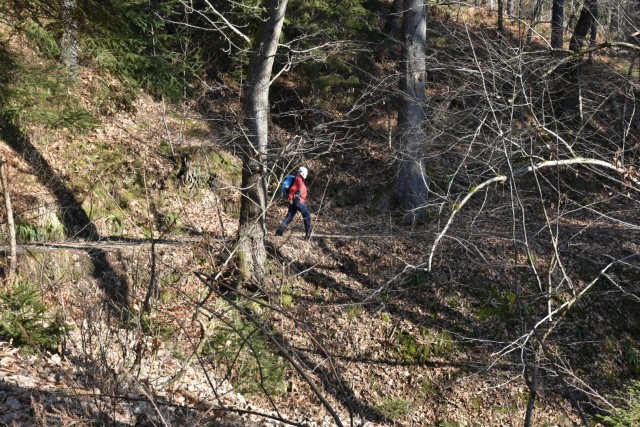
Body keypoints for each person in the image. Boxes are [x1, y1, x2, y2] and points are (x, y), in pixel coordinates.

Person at [275, 166, 312, 238]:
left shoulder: (298, 178)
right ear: (303, 173)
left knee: (289, 217)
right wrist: (291, 198)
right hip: (298, 201)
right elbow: (293, 189)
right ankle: (308, 234)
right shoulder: (298, 179)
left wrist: (291, 198)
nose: (306, 175)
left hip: (295, 201)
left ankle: (279, 232)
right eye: (306, 173)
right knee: (306, 215)